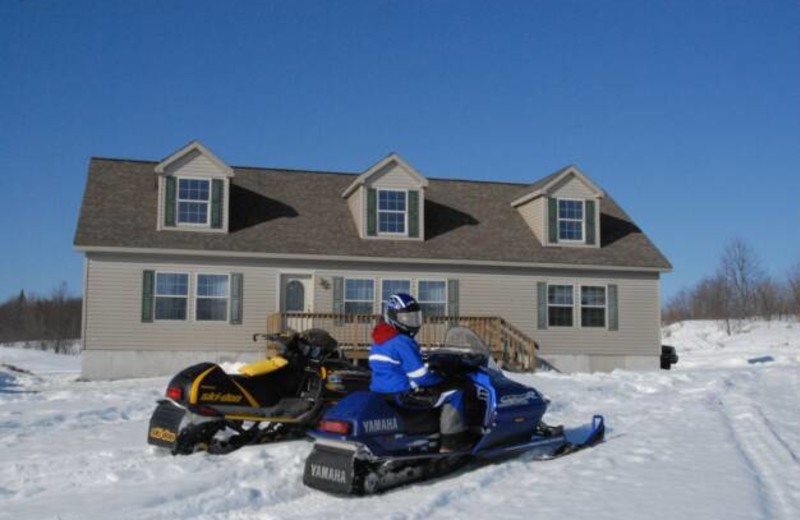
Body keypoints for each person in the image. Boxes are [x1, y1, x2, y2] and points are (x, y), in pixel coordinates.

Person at [368, 293, 471, 452]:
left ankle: (434, 431)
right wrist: (442, 379)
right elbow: (421, 377)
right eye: (405, 318)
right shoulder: (402, 341)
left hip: (381, 392)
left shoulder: (379, 339)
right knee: (455, 393)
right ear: (392, 317)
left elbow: (397, 366)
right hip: (403, 395)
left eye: (414, 318)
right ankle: (451, 444)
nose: (410, 322)